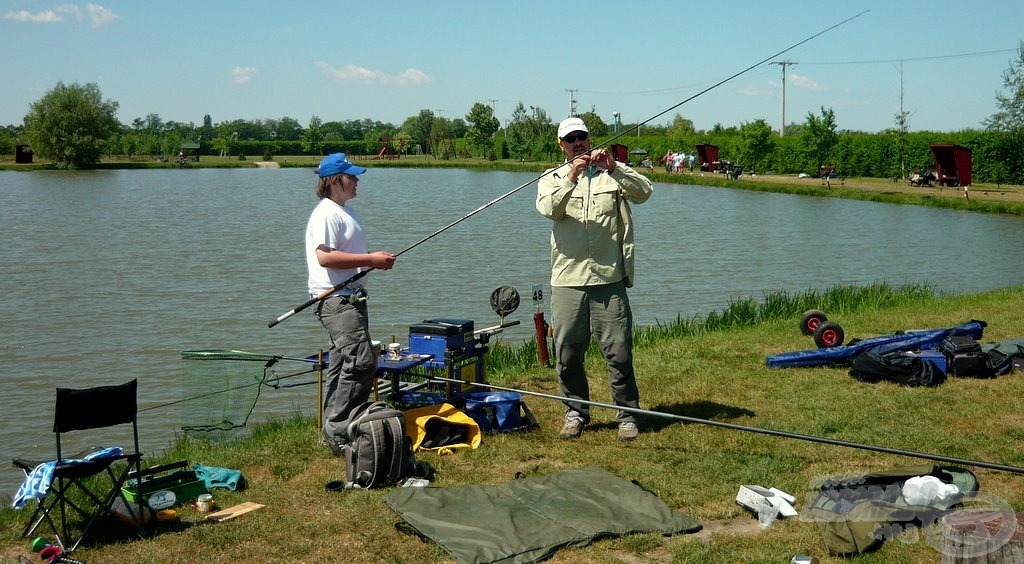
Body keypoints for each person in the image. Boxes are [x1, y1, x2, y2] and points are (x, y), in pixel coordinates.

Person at [536, 117, 653, 442]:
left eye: (581, 137)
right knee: (568, 353)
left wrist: (615, 167)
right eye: (570, 139)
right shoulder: (552, 178)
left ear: (589, 139)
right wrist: (572, 175)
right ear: (561, 145)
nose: (578, 143)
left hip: (609, 279)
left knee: (619, 352)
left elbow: (644, 193)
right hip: (567, 280)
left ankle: (628, 415)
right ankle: (575, 412)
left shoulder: (611, 172)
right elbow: (548, 210)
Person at [306, 152, 396, 455]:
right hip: (335, 301)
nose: (357, 181)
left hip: (353, 298)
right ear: (335, 181)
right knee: (361, 362)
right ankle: (341, 430)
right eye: (351, 177)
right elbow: (325, 257)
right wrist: (372, 259)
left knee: (343, 364)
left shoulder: (347, 211)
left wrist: (370, 265)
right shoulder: (326, 213)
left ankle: (331, 431)